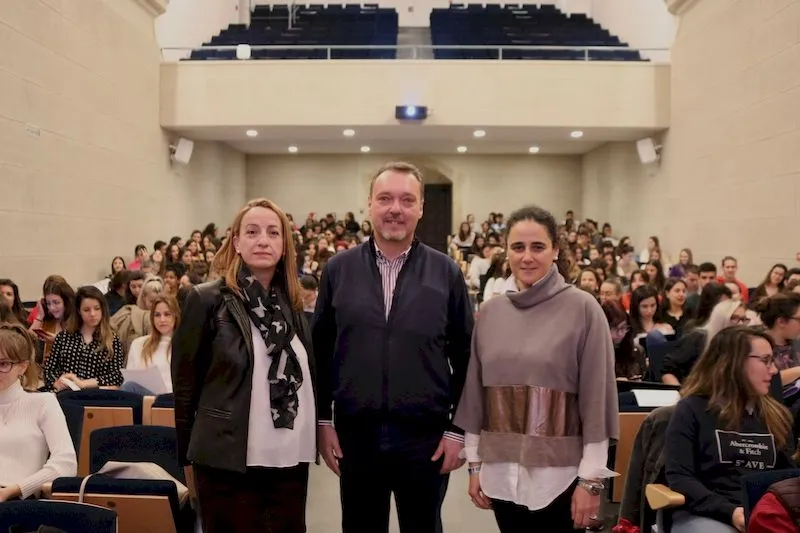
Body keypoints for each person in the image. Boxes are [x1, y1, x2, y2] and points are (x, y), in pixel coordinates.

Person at [313, 162, 474, 533]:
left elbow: (466, 357)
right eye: (385, 198)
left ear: (420, 208)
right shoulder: (338, 270)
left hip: (425, 438)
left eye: (406, 200)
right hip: (357, 435)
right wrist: (323, 420)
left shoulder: (446, 272)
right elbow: (321, 351)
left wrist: (458, 429)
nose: (395, 208)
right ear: (369, 204)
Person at [454, 205, 619, 532]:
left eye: (538, 247)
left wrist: (591, 481)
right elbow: (476, 394)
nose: (527, 257)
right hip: (501, 475)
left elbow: (596, 400)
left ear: (556, 250)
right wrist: (474, 466)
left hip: (560, 479)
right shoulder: (490, 313)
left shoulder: (584, 310)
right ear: (507, 252)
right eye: (517, 247)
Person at [172, 198, 316, 533]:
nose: (263, 240)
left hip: (289, 460)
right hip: (227, 462)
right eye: (252, 232)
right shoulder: (206, 300)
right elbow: (184, 388)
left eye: (273, 232)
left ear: (284, 245)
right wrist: (186, 460)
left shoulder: (292, 305)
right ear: (236, 241)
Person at [665, 327, 795, 533]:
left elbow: (785, 478)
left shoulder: (776, 415)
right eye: (766, 360)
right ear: (734, 362)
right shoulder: (692, 409)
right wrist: (731, 512)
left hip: (767, 514)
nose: (774, 370)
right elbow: (681, 478)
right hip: (707, 513)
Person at [0, 323, 76, 501]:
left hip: (19, 501)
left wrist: (14, 490)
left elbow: (66, 463)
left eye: (4, 364)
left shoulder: (44, 402)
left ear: (23, 367)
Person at [43, 286, 124, 391]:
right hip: (65, 393)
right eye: (86, 310)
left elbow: (117, 376)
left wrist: (83, 383)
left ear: (103, 309)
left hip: (95, 396)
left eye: (97, 308)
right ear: (78, 311)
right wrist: (56, 382)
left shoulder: (112, 339)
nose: (93, 314)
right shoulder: (63, 337)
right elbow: (49, 370)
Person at [121, 294, 179, 395]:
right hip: (142, 397)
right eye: (157, 315)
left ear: (176, 316)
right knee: (128, 387)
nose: (162, 320)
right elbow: (130, 378)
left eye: (167, 314)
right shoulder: (138, 344)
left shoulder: (184, 345)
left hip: (171, 399)